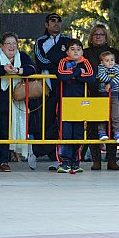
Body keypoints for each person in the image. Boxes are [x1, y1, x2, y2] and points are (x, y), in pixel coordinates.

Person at [0, 32, 36, 173]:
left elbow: (32, 68)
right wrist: (3, 70)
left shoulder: (22, 56)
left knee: (7, 132)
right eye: (8, 43)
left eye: (14, 43)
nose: (12, 46)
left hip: (13, 102)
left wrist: (19, 70)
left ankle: (4, 161)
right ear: (2, 46)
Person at [31, 13, 71, 171]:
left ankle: (56, 157)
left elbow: (70, 58)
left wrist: (56, 61)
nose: (56, 24)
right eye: (52, 21)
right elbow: (41, 61)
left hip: (65, 85)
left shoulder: (67, 39)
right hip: (46, 87)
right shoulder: (40, 41)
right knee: (45, 120)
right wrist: (59, 62)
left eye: (58, 21)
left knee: (61, 121)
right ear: (46, 24)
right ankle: (36, 150)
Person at [82, 24, 119, 171]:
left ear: (106, 37)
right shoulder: (85, 53)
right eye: (95, 34)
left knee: (112, 123)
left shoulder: (114, 53)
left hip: (111, 93)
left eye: (102, 34)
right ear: (91, 38)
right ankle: (96, 160)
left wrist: (111, 83)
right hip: (92, 92)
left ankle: (111, 159)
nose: (98, 36)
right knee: (94, 126)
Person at [55, 39, 95, 174]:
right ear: (67, 52)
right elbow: (61, 75)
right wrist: (78, 71)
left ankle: (75, 162)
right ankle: (64, 162)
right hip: (65, 103)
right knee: (65, 133)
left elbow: (90, 77)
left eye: (78, 49)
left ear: (82, 51)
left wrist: (74, 73)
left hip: (80, 104)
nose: (76, 51)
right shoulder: (63, 62)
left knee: (78, 133)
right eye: (72, 49)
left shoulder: (86, 62)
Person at [96, 52, 119, 143]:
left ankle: (117, 132)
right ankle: (102, 132)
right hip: (102, 95)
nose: (110, 62)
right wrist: (112, 80)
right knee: (102, 114)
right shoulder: (100, 67)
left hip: (114, 94)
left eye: (112, 60)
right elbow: (101, 76)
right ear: (102, 62)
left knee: (115, 114)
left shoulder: (116, 66)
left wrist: (110, 84)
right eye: (107, 61)